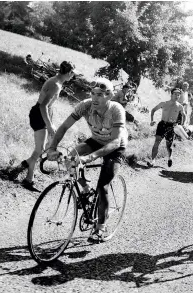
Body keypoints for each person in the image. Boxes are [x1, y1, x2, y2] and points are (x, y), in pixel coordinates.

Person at [47, 78, 128, 243]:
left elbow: (114, 142)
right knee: (69, 158)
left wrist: (89, 158)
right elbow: (63, 127)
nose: (95, 98)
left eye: (100, 95)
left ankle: (100, 228)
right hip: (96, 140)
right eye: (92, 93)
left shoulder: (116, 110)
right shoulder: (85, 105)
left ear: (110, 95)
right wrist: (52, 147)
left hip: (115, 146)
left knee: (102, 187)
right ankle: (84, 187)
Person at [15, 61, 76, 191]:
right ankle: (28, 180)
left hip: (42, 114)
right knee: (40, 149)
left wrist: (50, 122)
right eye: (72, 74)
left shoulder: (56, 81)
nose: (72, 77)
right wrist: (49, 125)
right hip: (39, 115)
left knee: (42, 149)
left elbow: (47, 106)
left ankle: (26, 164)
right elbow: (43, 106)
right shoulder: (55, 85)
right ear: (69, 72)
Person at [148, 88, 186, 168]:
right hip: (162, 125)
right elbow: (153, 110)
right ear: (171, 94)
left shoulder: (180, 107)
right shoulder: (164, 103)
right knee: (156, 142)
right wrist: (152, 120)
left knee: (169, 145)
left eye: (178, 95)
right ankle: (152, 161)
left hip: (171, 127)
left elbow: (184, 115)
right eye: (175, 94)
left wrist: (182, 125)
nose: (177, 96)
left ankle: (170, 157)